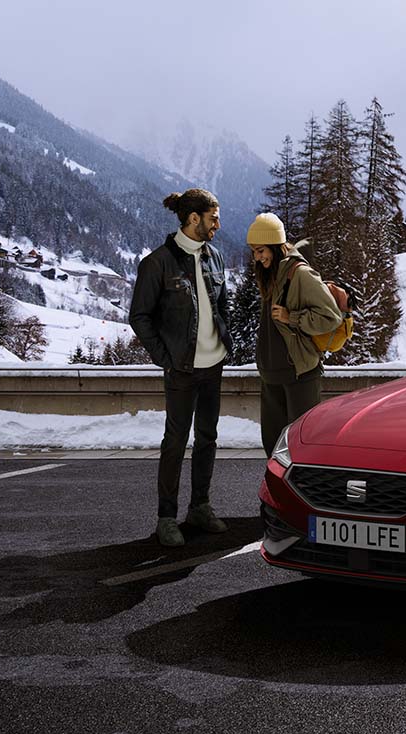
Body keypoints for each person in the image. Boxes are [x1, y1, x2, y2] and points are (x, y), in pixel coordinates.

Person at [129, 189, 233, 547]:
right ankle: (166, 517)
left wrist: (223, 342)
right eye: (213, 218)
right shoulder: (157, 263)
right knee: (175, 442)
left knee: (208, 438)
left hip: (213, 365)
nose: (218, 224)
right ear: (193, 219)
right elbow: (139, 316)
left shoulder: (214, 257)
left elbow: (222, 306)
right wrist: (165, 357)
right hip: (181, 370)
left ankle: (200, 507)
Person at [246, 212, 348, 457]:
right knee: (274, 448)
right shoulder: (271, 274)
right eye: (254, 252)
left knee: (302, 447)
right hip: (271, 375)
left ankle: (303, 495)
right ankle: (275, 494)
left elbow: (330, 317)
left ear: (276, 246)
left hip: (299, 374)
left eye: (261, 251)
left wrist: (291, 317)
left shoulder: (300, 273)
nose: (258, 258)